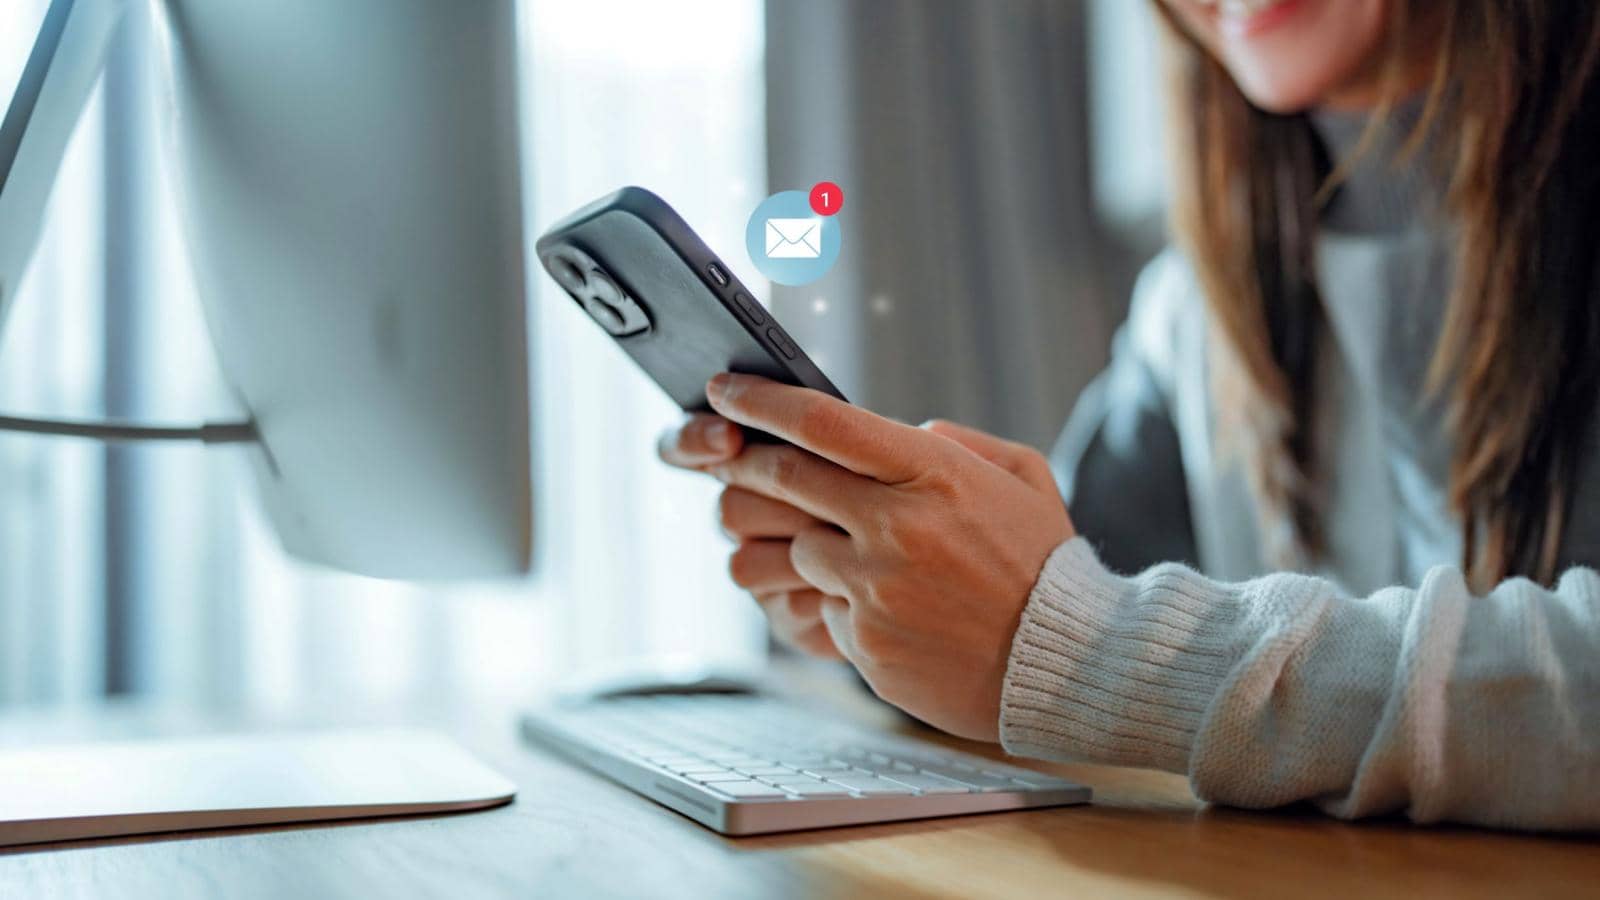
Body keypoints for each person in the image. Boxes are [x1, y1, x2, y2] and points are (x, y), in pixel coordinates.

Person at [659, 0, 1600, 831]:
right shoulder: (1196, 312)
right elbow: (1052, 597)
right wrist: (886, 612)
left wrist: (1087, 652)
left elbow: (1089, 629)